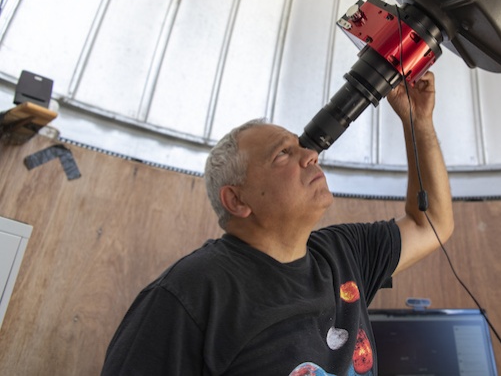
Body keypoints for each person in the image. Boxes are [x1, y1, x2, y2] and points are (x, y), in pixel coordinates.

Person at [101, 71, 453, 375]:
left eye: (302, 147)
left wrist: (417, 121)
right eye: (283, 153)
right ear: (237, 200)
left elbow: (431, 224)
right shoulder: (188, 295)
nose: (311, 154)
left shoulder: (344, 253)